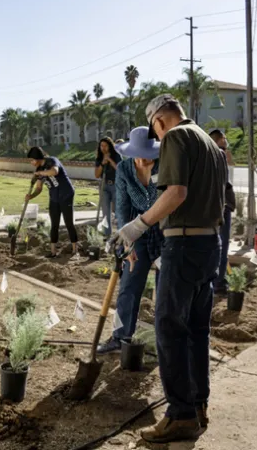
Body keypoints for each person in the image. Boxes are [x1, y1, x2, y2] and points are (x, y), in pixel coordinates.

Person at [109, 94, 226, 443]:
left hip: (185, 243)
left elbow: (176, 193)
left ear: (158, 121)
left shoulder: (175, 137)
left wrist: (137, 225)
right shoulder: (210, 144)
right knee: (196, 329)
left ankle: (180, 414)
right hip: (209, 244)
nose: (158, 140)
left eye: (155, 133)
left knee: (169, 329)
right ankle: (198, 403)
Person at [96, 127, 162, 353]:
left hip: (166, 233)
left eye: (148, 155)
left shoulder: (165, 166)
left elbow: (169, 203)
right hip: (137, 232)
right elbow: (123, 208)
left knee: (165, 291)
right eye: (139, 155)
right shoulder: (124, 169)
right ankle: (120, 337)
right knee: (128, 286)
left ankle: (166, 342)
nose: (144, 160)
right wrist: (128, 243)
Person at [26, 146, 78, 258]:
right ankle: (53, 251)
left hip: (66, 194)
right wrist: (31, 196)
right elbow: (39, 188)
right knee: (54, 224)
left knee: (68, 222)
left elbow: (55, 171)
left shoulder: (52, 161)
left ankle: (75, 250)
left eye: (32, 160)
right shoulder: (38, 169)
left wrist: (41, 173)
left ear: (37, 157)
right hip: (54, 197)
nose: (31, 163)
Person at [209, 129, 236, 293]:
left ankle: (217, 280)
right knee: (221, 244)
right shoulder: (217, 157)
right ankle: (219, 282)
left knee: (218, 244)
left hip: (219, 205)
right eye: (224, 140)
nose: (226, 142)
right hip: (221, 205)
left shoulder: (212, 156)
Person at [94, 137, 122, 237]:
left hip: (116, 185)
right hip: (104, 185)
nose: (103, 148)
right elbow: (96, 175)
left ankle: (121, 236)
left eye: (105, 145)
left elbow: (120, 169)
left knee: (119, 211)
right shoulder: (99, 158)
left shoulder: (116, 156)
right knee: (105, 213)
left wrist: (109, 160)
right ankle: (107, 235)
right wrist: (102, 163)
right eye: (101, 146)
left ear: (110, 146)